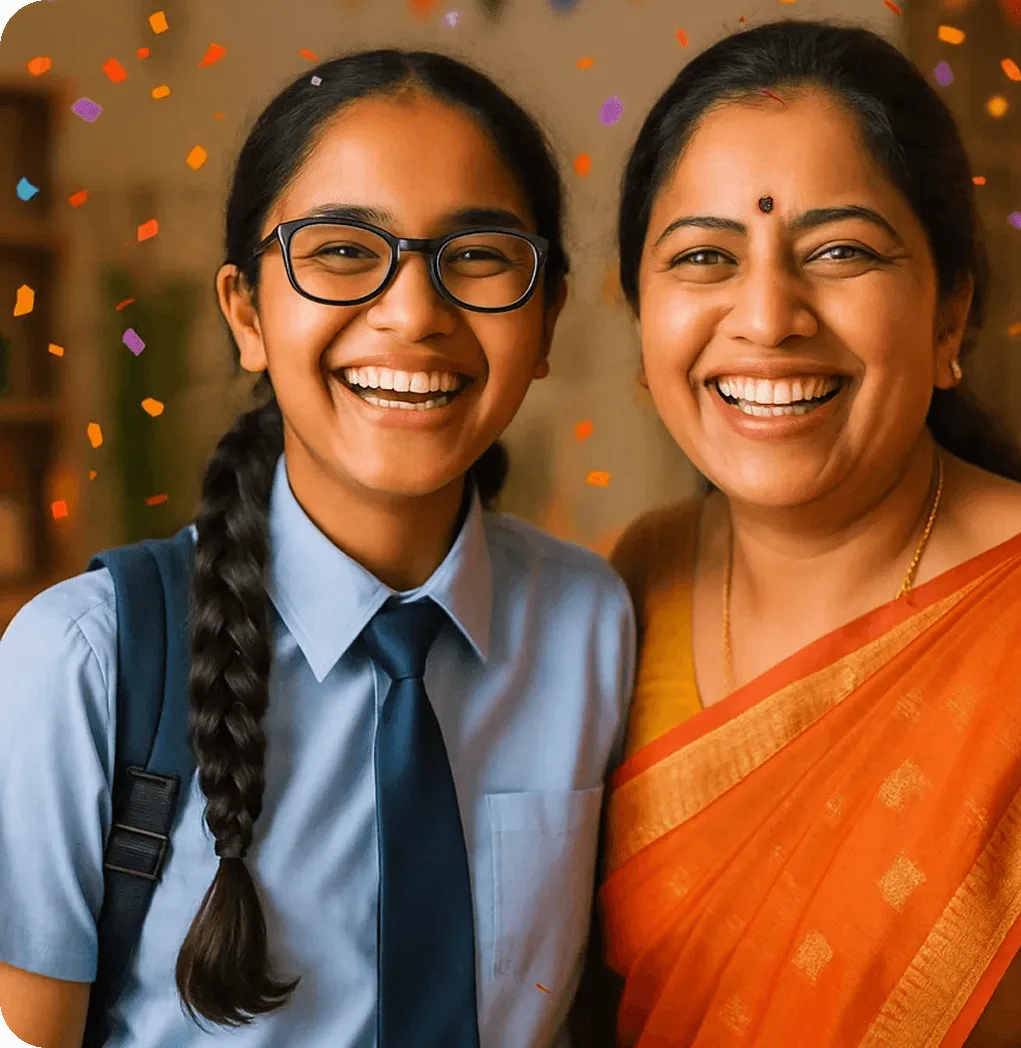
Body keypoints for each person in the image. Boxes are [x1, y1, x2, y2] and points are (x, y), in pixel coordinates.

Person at [593, 19, 1021, 1048]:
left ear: (947, 316)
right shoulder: (620, 590)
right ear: (640, 316)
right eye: (703, 257)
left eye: (839, 251)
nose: (767, 316)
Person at [0, 49, 633, 1048]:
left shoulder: (595, 623)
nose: (413, 314)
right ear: (246, 312)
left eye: (477, 256)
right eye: (341, 250)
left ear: (546, 316)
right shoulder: (83, 660)